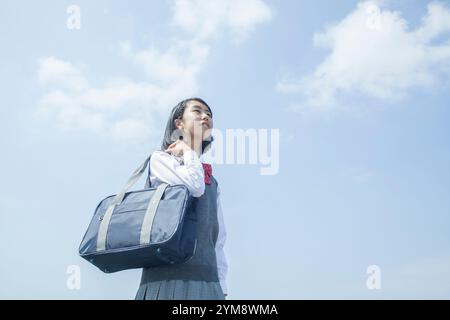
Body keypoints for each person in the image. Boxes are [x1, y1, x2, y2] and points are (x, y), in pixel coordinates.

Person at [135, 97, 228, 300]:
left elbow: (217, 238)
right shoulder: (161, 160)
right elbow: (194, 186)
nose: (206, 117)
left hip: (208, 283)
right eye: (197, 111)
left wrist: (222, 285)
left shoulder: (213, 182)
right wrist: (187, 150)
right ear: (179, 123)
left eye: (209, 114)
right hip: (165, 281)